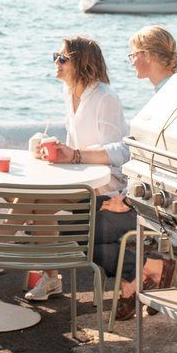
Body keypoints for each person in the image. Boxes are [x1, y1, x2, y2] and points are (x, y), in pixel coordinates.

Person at [36, 27, 177, 319]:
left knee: (78, 230)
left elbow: (151, 158)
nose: (130, 60)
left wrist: (125, 198)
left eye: (133, 54)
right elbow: (145, 155)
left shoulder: (166, 97)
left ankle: (139, 275)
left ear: (146, 56)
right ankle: (143, 272)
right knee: (65, 223)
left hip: (141, 200)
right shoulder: (163, 94)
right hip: (127, 194)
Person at [25, 35, 129, 302]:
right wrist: (52, 149)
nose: (56, 62)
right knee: (28, 197)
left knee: (39, 202)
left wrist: (75, 156)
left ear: (81, 62)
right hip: (80, 179)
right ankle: (49, 276)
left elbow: (121, 152)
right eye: (56, 57)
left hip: (106, 184)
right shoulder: (69, 92)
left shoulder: (105, 97)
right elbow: (75, 144)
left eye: (63, 58)